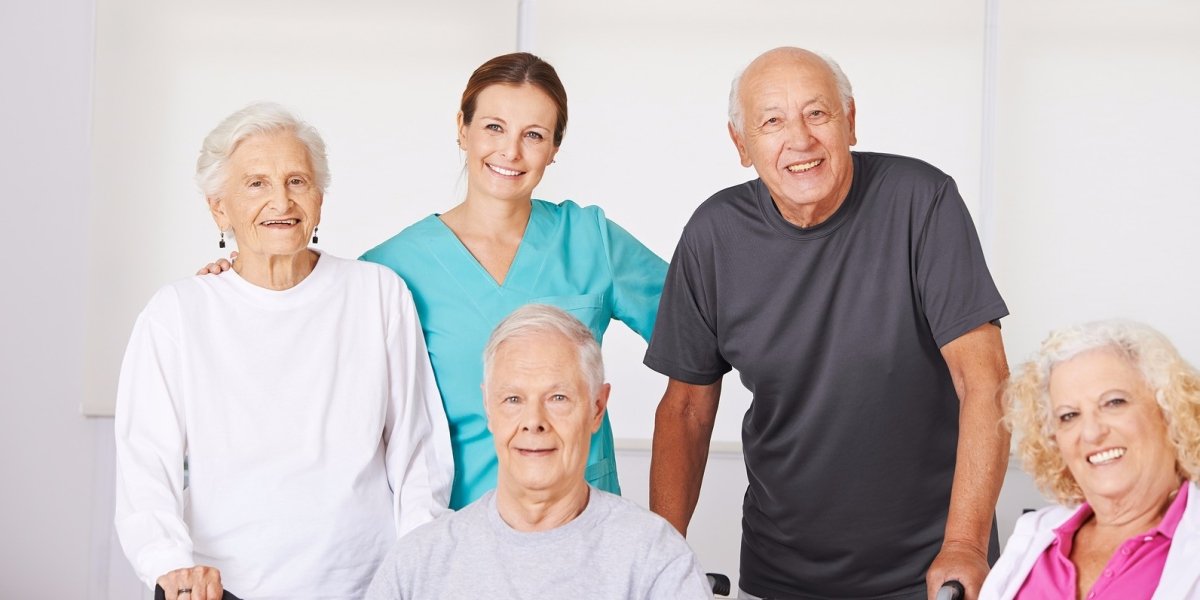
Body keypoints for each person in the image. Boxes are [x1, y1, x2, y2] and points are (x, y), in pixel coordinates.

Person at [644, 47, 1011, 599]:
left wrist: (963, 544)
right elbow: (687, 408)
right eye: (772, 121)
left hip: (933, 569)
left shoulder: (923, 201)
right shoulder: (713, 235)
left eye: (817, 114)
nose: (800, 139)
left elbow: (984, 381)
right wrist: (661, 554)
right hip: (781, 572)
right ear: (741, 145)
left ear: (851, 122)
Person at [115, 103, 453, 600]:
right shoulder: (178, 313)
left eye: (297, 181)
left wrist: (416, 569)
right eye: (256, 184)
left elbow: (417, 451)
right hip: (224, 589)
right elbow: (145, 464)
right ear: (218, 207)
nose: (281, 201)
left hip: (367, 584)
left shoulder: (378, 294)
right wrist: (169, 565)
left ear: (319, 197)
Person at [359, 52, 667, 508]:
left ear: (555, 148)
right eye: (494, 127)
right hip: (459, 531)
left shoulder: (590, 239)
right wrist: (231, 281)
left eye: (534, 135)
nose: (511, 152)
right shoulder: (391, 269)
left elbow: (704, 324)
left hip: (586, 524)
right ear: (462, 129)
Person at [366, 304, 712, 599]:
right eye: (513, 399)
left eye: (557, 398)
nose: (534, 421)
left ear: (596, 408)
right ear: (489, 407)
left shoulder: (655, 558)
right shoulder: (417, 564)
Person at [980, 320, 1200, 599]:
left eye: (1114, 402)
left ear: (1170, 410)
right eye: (1069, 416)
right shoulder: (1035, 535)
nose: (1092, 432)